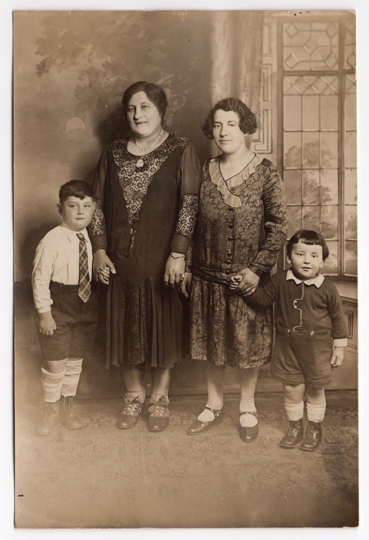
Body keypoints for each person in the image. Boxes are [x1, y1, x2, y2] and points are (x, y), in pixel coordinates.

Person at [89, 81, 201, 432]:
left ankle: (159, 400)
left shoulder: (182, 149)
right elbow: (95, 205)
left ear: (161, 110)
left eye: (145, 107)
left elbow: (190, 203)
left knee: (163, 329)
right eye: (131, 109)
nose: (137, 115)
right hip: (120, 260)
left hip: (162, 259)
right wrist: (100, 249)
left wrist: (178, 254)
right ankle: (133, 396)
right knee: (125, 328)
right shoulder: (113, 151)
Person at [187, 97, 288, 443]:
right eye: (217, 124)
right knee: (212, 343)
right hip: (206, 274)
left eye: (231, 124)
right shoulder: (204, 169)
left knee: (246, 345)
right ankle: (213, 404)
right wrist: (188, 266)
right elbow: (191, 222)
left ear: (245, 127)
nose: (223, 131)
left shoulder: (265, 172)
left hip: (246, 278)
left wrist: (257, 271)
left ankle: (247, 406)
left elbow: (278, 226)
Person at [243, 229, 348, 452]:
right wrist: (245, 289)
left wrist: (339, 346)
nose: (307, 261)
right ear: (289, 256)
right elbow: (262, 299)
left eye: (313, 256)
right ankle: (295, 427)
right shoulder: (280, 280)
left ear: (322, 261)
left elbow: (339, 319)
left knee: (315, 390)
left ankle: (314, 428)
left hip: (317, 350)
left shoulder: (327, 288)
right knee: (291, 389)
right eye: (300, 254)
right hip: (287, 348)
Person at [32, 180, 98, 436]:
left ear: (94, 209)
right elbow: (39, 279)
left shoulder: (90, 238)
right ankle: (50, 410)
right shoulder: (52, 240)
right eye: (73, 206)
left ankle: (67, 408)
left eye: (86, 206)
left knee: (74, 362)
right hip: (58, 305)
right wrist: (45, 314)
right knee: (55, 363)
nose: (80, 212)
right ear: (61, 209)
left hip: (85, 304)